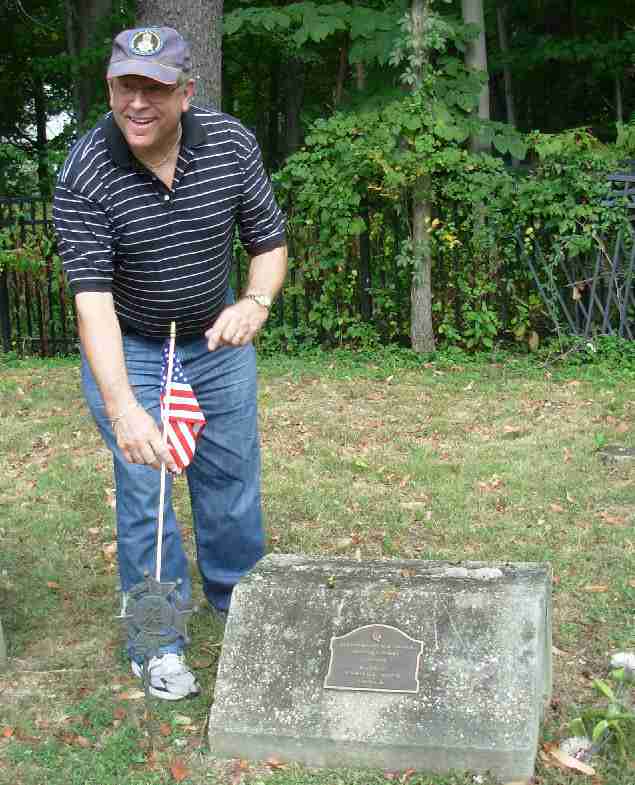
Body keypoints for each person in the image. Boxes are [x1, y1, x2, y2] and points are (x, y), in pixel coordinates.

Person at [53, 26, 287, 700]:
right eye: (126, 85)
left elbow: (268, 242)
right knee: (145, 496)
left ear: (185, 93)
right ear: (109, 88)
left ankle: (240, 602)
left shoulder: (231, 144)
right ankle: (155, 640)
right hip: (128, 342)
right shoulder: (86, 172)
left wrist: (255, 301)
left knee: (231, 479)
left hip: (214, 337)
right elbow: (92, 303)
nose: (137, 102)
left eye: (154, 87)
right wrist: (125, 407)